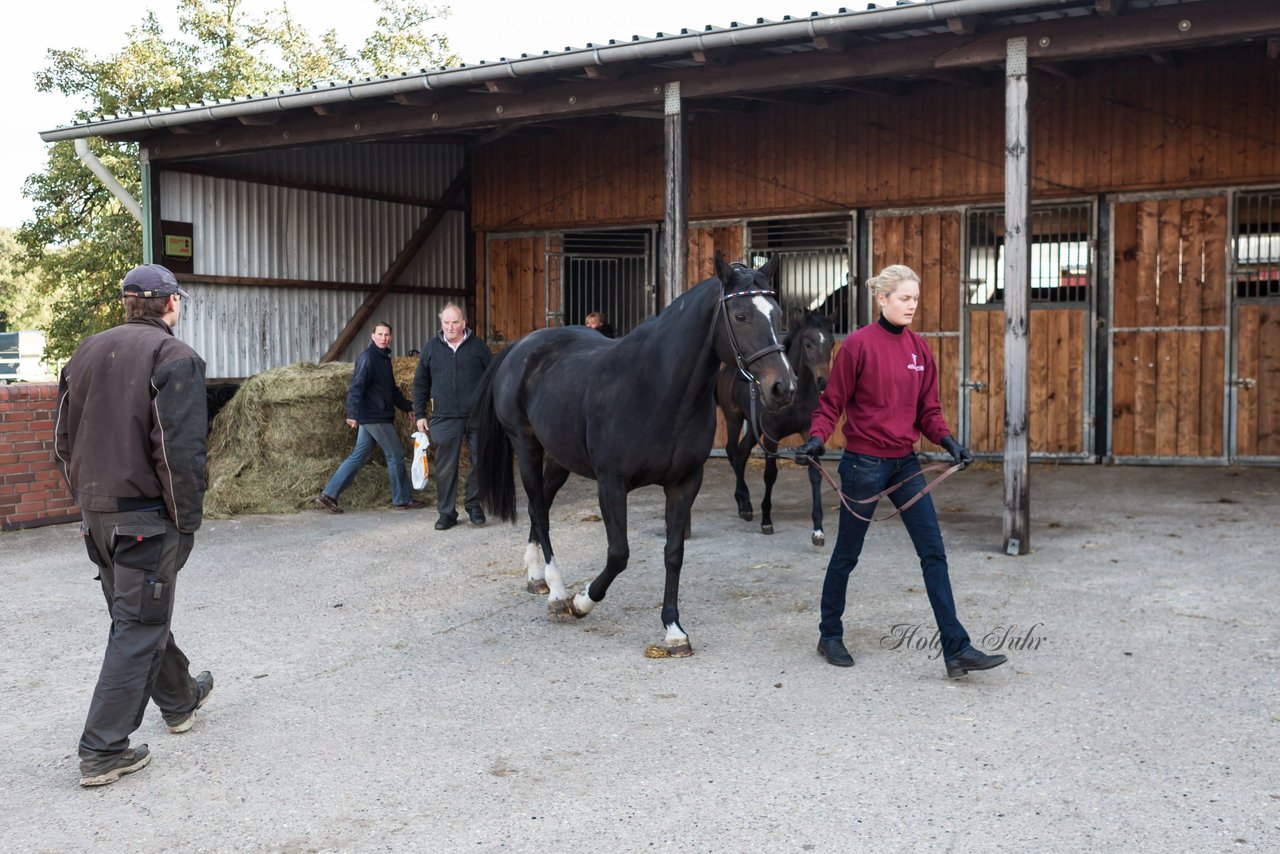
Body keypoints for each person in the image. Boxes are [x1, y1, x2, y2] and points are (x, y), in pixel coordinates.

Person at [797, 264, 1006, 679]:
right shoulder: (857, 346)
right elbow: (831, 404)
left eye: (914, 299)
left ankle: (956, 649)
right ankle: (829, 633)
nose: (911, 306)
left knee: (933, 552)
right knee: (847, 554)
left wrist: (949, 442)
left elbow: (928, 412)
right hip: (863, 464)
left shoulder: (919, 350)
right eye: (904, 298)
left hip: (906, 465)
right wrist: (818, 438)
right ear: (882, 299)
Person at [54, 264, 215, 787]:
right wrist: (185, 521)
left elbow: (62, 440)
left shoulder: (83, 352)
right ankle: (103, 749)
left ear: (127, 303)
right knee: (138, 624)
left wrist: (87, 500)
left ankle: (179, 699)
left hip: (97, 515)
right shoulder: (175, 357)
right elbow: (179, 452)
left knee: (137, 614)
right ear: (171, 304)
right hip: (146, 516)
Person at [317, 322, 423, 513]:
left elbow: (392, 389)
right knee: (396, 455)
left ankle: (329, 494)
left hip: (375, 414)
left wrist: (407, 407)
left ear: (390, 337)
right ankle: (402, 498)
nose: (384, 338)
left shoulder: (383, 359)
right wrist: (352, 413)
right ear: (372, 336)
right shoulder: (367, 358)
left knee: (359, 456)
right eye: (380, 334)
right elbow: (357, 386)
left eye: (387, 335)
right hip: (375, 415)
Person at [413, 303, 492, 530]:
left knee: (480, 462)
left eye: (455, 322)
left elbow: (492, 379)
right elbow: (420, 382)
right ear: (441, 324)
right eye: (446, 323)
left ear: (464, 323)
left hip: (477, 416)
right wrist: (420, 414)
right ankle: (447, 513)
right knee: (446, 467)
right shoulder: (431, 348)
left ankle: (473, 504)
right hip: (445, 417)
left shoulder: (478, 347)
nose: (450, 327)